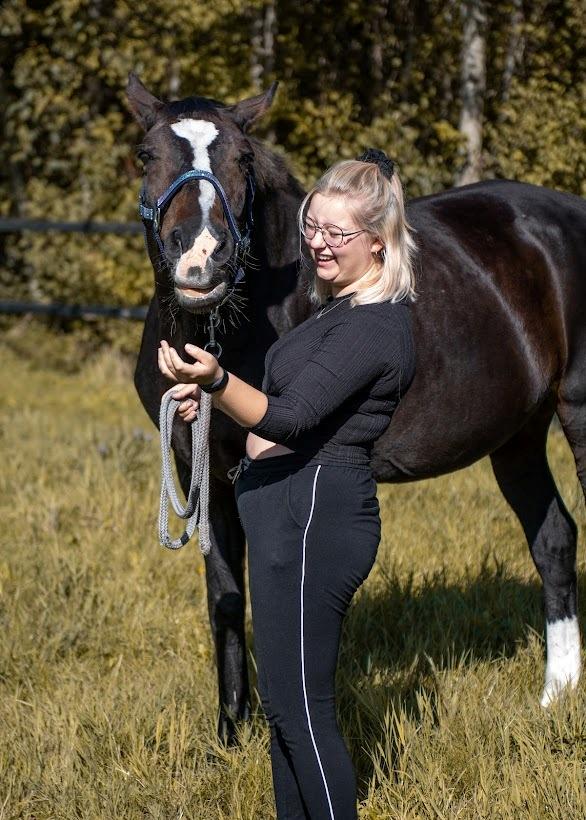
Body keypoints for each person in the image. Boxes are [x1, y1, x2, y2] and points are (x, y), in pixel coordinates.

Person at [158, 149, 417, 820]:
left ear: (380, 242)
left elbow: (293, 417)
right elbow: (288, 399)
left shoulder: (376, 327)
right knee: (281, 707)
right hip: (288, 511)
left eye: (338, 234)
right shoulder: (337, 312)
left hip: (315, 515)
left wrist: (215, 379)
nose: (318, 246)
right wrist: (211, 401)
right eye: (313, 228)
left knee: (304, 712)